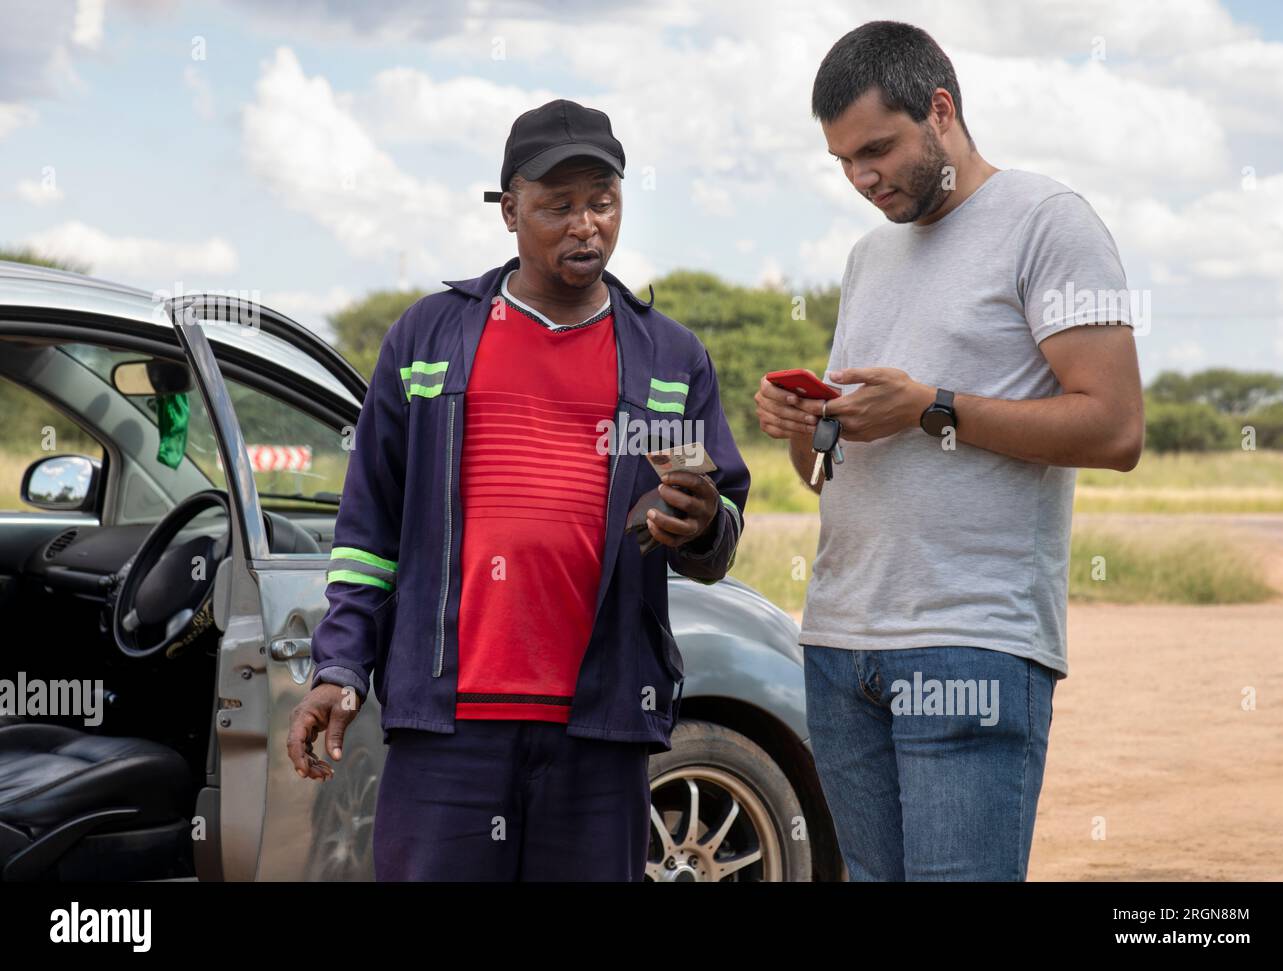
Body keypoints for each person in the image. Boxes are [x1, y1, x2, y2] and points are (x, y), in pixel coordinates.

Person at [287, 99, 749, 881]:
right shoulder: (428, 340)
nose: (585, 225)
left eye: (602, 202)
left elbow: (720, 531)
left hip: (600, 731)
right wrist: (340, 667)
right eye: (557, 205)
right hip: (448, 731)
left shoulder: (670, 358)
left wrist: (702, 524)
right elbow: (368, 533)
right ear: (509, 210)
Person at [755, 21, 1144, 881]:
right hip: (839, 643)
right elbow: (828, 470)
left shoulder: (1048, 222)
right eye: (844, 161)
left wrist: (932, 407)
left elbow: (1116, 430)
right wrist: (805, 425)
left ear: (941, 110)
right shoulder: (869, 256)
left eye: (878, 149)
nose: (863, 178)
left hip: (970, 640)